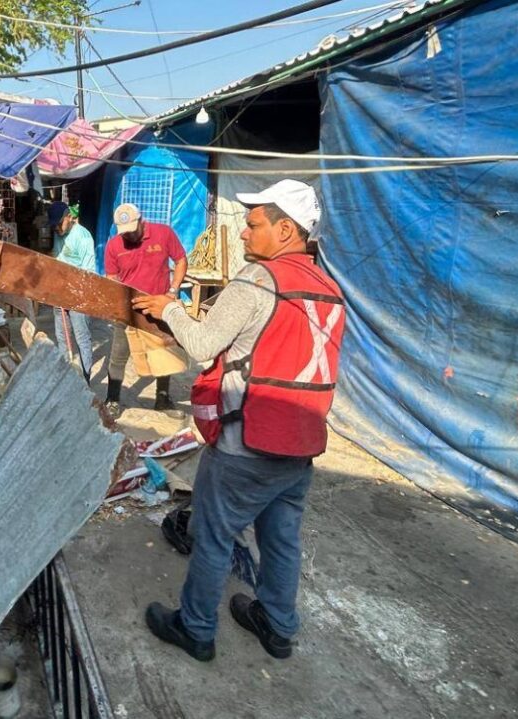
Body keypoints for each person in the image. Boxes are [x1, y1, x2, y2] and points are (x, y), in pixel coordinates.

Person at [131, 179, 345, 662]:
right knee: (282, 539)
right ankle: (277, 623)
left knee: (212, 537)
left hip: (245, 444)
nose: (244, 235)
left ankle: (196, 627)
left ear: (286, 230)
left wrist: (168, 308)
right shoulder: (331, 289)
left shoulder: (255, 280)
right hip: (301, 444)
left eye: (253, 225)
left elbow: (204, 344)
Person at [103, 204, 188, 418]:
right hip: (128, 311)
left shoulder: (163, 233)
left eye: (132, 229)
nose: (129, 235)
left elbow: (180, 260)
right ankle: (112, 399)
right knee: (118, 355)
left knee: (164, 352)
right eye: (125, 232)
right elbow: (112, 278)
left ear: (142, 221)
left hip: (159, 308)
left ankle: (162, 398)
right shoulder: (114, 246)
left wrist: (172, 291)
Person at [49, 201, 96, 379]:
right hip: (59, 293)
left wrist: (75, 293)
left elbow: (89, 272)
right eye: (53, 225)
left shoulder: (83, 236)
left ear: (69, 217)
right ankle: (66, 378)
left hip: (78, 296)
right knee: (62, 337)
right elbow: (57, 256)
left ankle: (85, 382)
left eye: (59, 223)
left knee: (81, 338)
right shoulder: (58, 232)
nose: (56, 229)